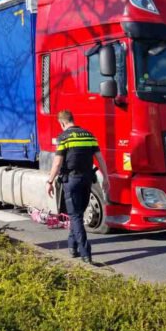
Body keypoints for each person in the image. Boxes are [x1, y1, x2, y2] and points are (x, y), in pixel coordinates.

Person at [47, 110, 109, 264]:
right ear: (72, 119)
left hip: (72, 180)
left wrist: (50, 181)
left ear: (62, 123)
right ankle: (72, 247)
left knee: (75, 216)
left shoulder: (64, 137)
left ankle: (85, 253)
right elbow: (100, 159)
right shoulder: (89, 135)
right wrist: (106, 178)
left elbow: (57, 163)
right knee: (78, 214)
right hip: (87, 180)